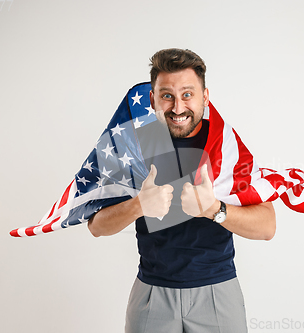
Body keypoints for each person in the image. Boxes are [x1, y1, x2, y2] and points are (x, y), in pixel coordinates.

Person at [87, 48, 276, 333]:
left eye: (187, 94)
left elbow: (267, 226)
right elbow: (96, 226)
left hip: (217, 292)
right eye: (167, 95)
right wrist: (139, 205)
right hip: (152, 293)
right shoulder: (134, 144)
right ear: (152, 98)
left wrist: (214, 210)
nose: (177, 108)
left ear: (205, 96)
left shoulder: (223, 145)